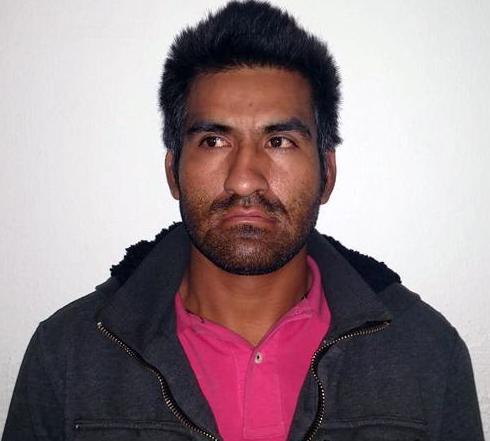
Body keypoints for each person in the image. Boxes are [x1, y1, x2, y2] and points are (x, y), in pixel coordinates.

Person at [2, 1, 484, 440]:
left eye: (280, 141)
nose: (244, 179)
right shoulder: (68, 353)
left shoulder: (426, 353)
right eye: (214, 141)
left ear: (327, 174)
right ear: (172, 171)